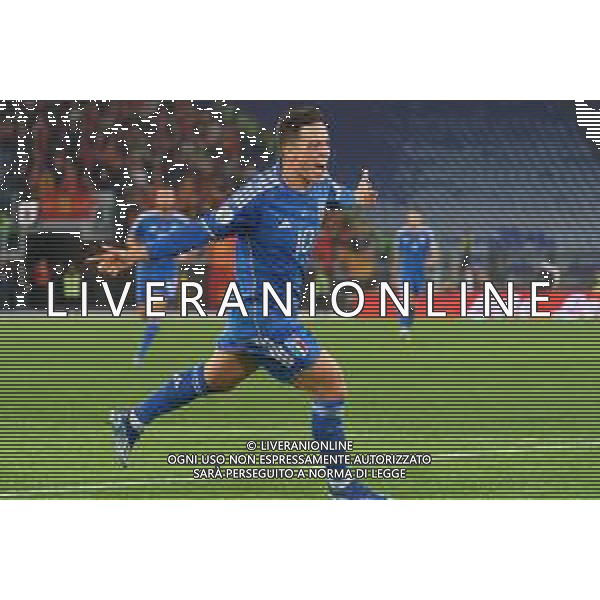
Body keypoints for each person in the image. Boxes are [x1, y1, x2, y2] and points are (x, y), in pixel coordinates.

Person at [92, 106, 384, 500]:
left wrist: (359, 200)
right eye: (312, 146)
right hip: (264, 314)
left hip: (266, 313)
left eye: (325, 146)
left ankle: (132, 419)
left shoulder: (319, 185)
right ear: (287, 148)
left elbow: (338, 196)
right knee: (330, 384)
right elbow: (202, 229)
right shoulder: (258, 195)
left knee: (219, 379)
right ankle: (343, 487)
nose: (322, 154)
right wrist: (142, 254)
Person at [129, 185, 189, 365]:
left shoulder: (182, 221)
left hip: (166, 272)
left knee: (156, 312)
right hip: (145, 270)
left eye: (169, 197)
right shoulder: (145, 218)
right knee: (143, 313)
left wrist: (184, 255)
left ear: (173, 200)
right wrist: (137, 252)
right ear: (156, 199)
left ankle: (140, 355)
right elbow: (132, 239)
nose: (165, 200)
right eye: (162, 196)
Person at [392, 207, 437, 339]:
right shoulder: (401, 233)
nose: (413, 218)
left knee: (413, 302)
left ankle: (407, 324)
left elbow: (434, 252)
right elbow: (396, 256)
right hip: (405, 271)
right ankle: (403, 328)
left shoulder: (427, 233)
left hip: (420, 272)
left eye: (416, 216)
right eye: (411, 216)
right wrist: (394, 275)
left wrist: (431, 262)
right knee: (407, 298)